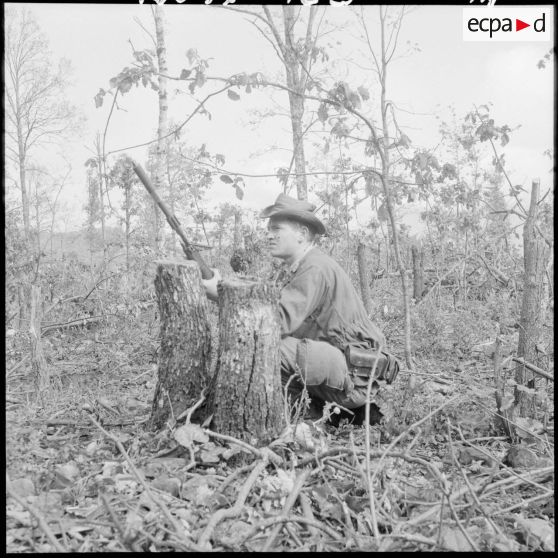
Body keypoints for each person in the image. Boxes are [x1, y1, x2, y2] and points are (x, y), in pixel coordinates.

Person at [202, 193, 398, 424]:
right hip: (343, 368)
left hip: (353, 378)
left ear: (302, 234)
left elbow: (275, 322)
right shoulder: (299, 266)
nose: (269, 235)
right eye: (269, 229)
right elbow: (267, 305)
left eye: (276, 229)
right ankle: (320, 410)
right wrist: (225, 289)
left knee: (265, 346)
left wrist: (222, 295)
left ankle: (301, 419)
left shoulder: (314, 268)